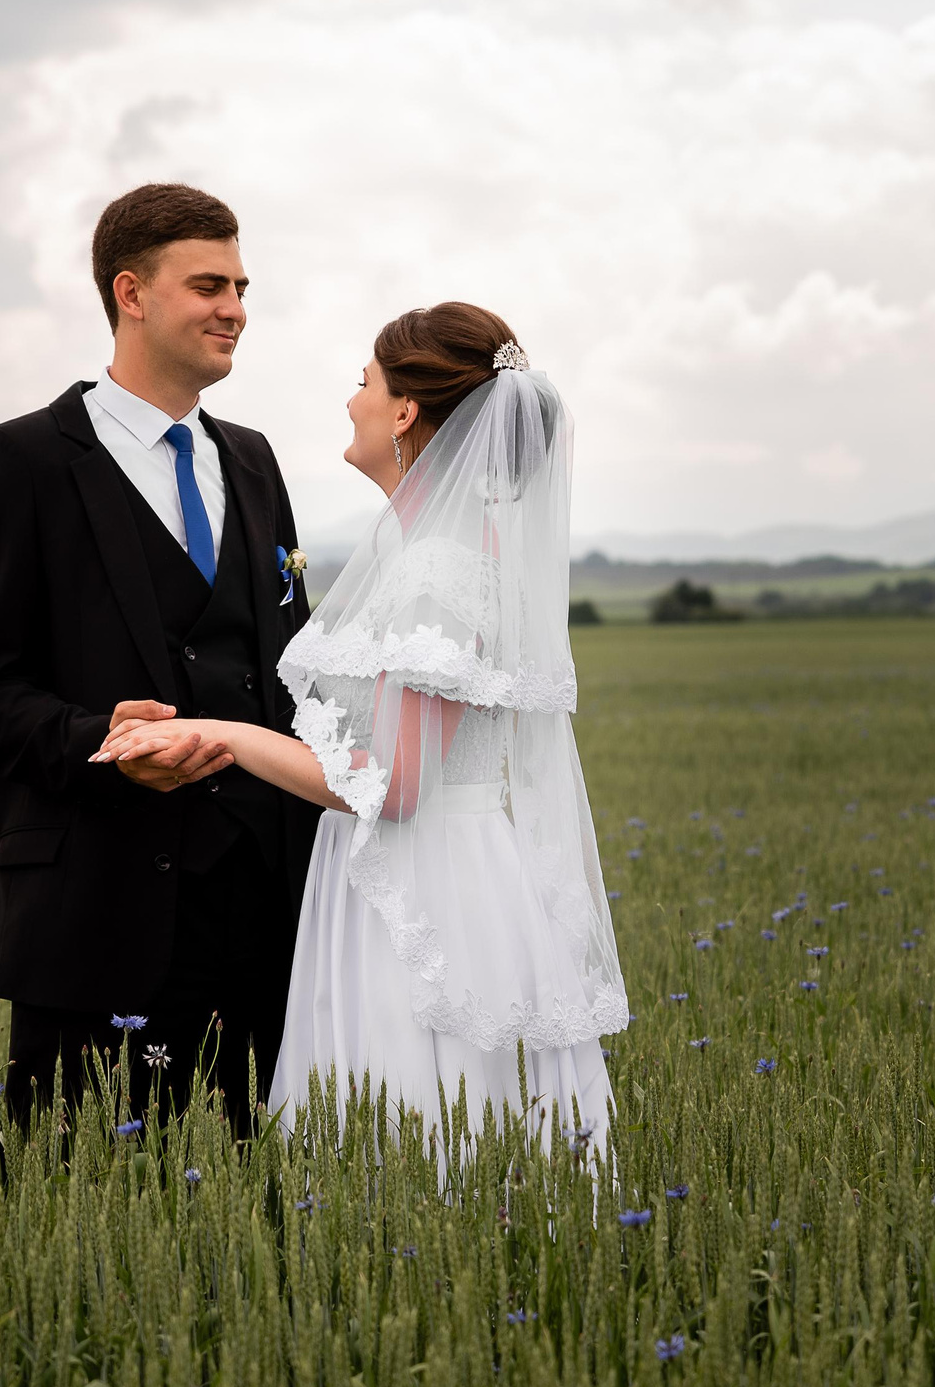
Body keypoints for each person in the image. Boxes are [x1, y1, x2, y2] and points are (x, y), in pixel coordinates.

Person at [94, 303, 629, 1154]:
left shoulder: (434, 570)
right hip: (453, 873)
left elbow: (395, 783)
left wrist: (220, 735)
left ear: (407, 411)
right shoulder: (455, 547)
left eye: (364, 382)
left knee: (418, 1132)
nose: (353, 402)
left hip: (417, 896)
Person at [0, 182, 319, 1135]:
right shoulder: (21, 461)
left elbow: (291, 664)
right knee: (85, 1215)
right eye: (208, 285)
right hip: (99, 908)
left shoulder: (254, 459)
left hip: (271, 914)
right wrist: (96, 742)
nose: (236, 308)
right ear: (131, 293)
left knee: (264, 1206)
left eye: (241, 284)